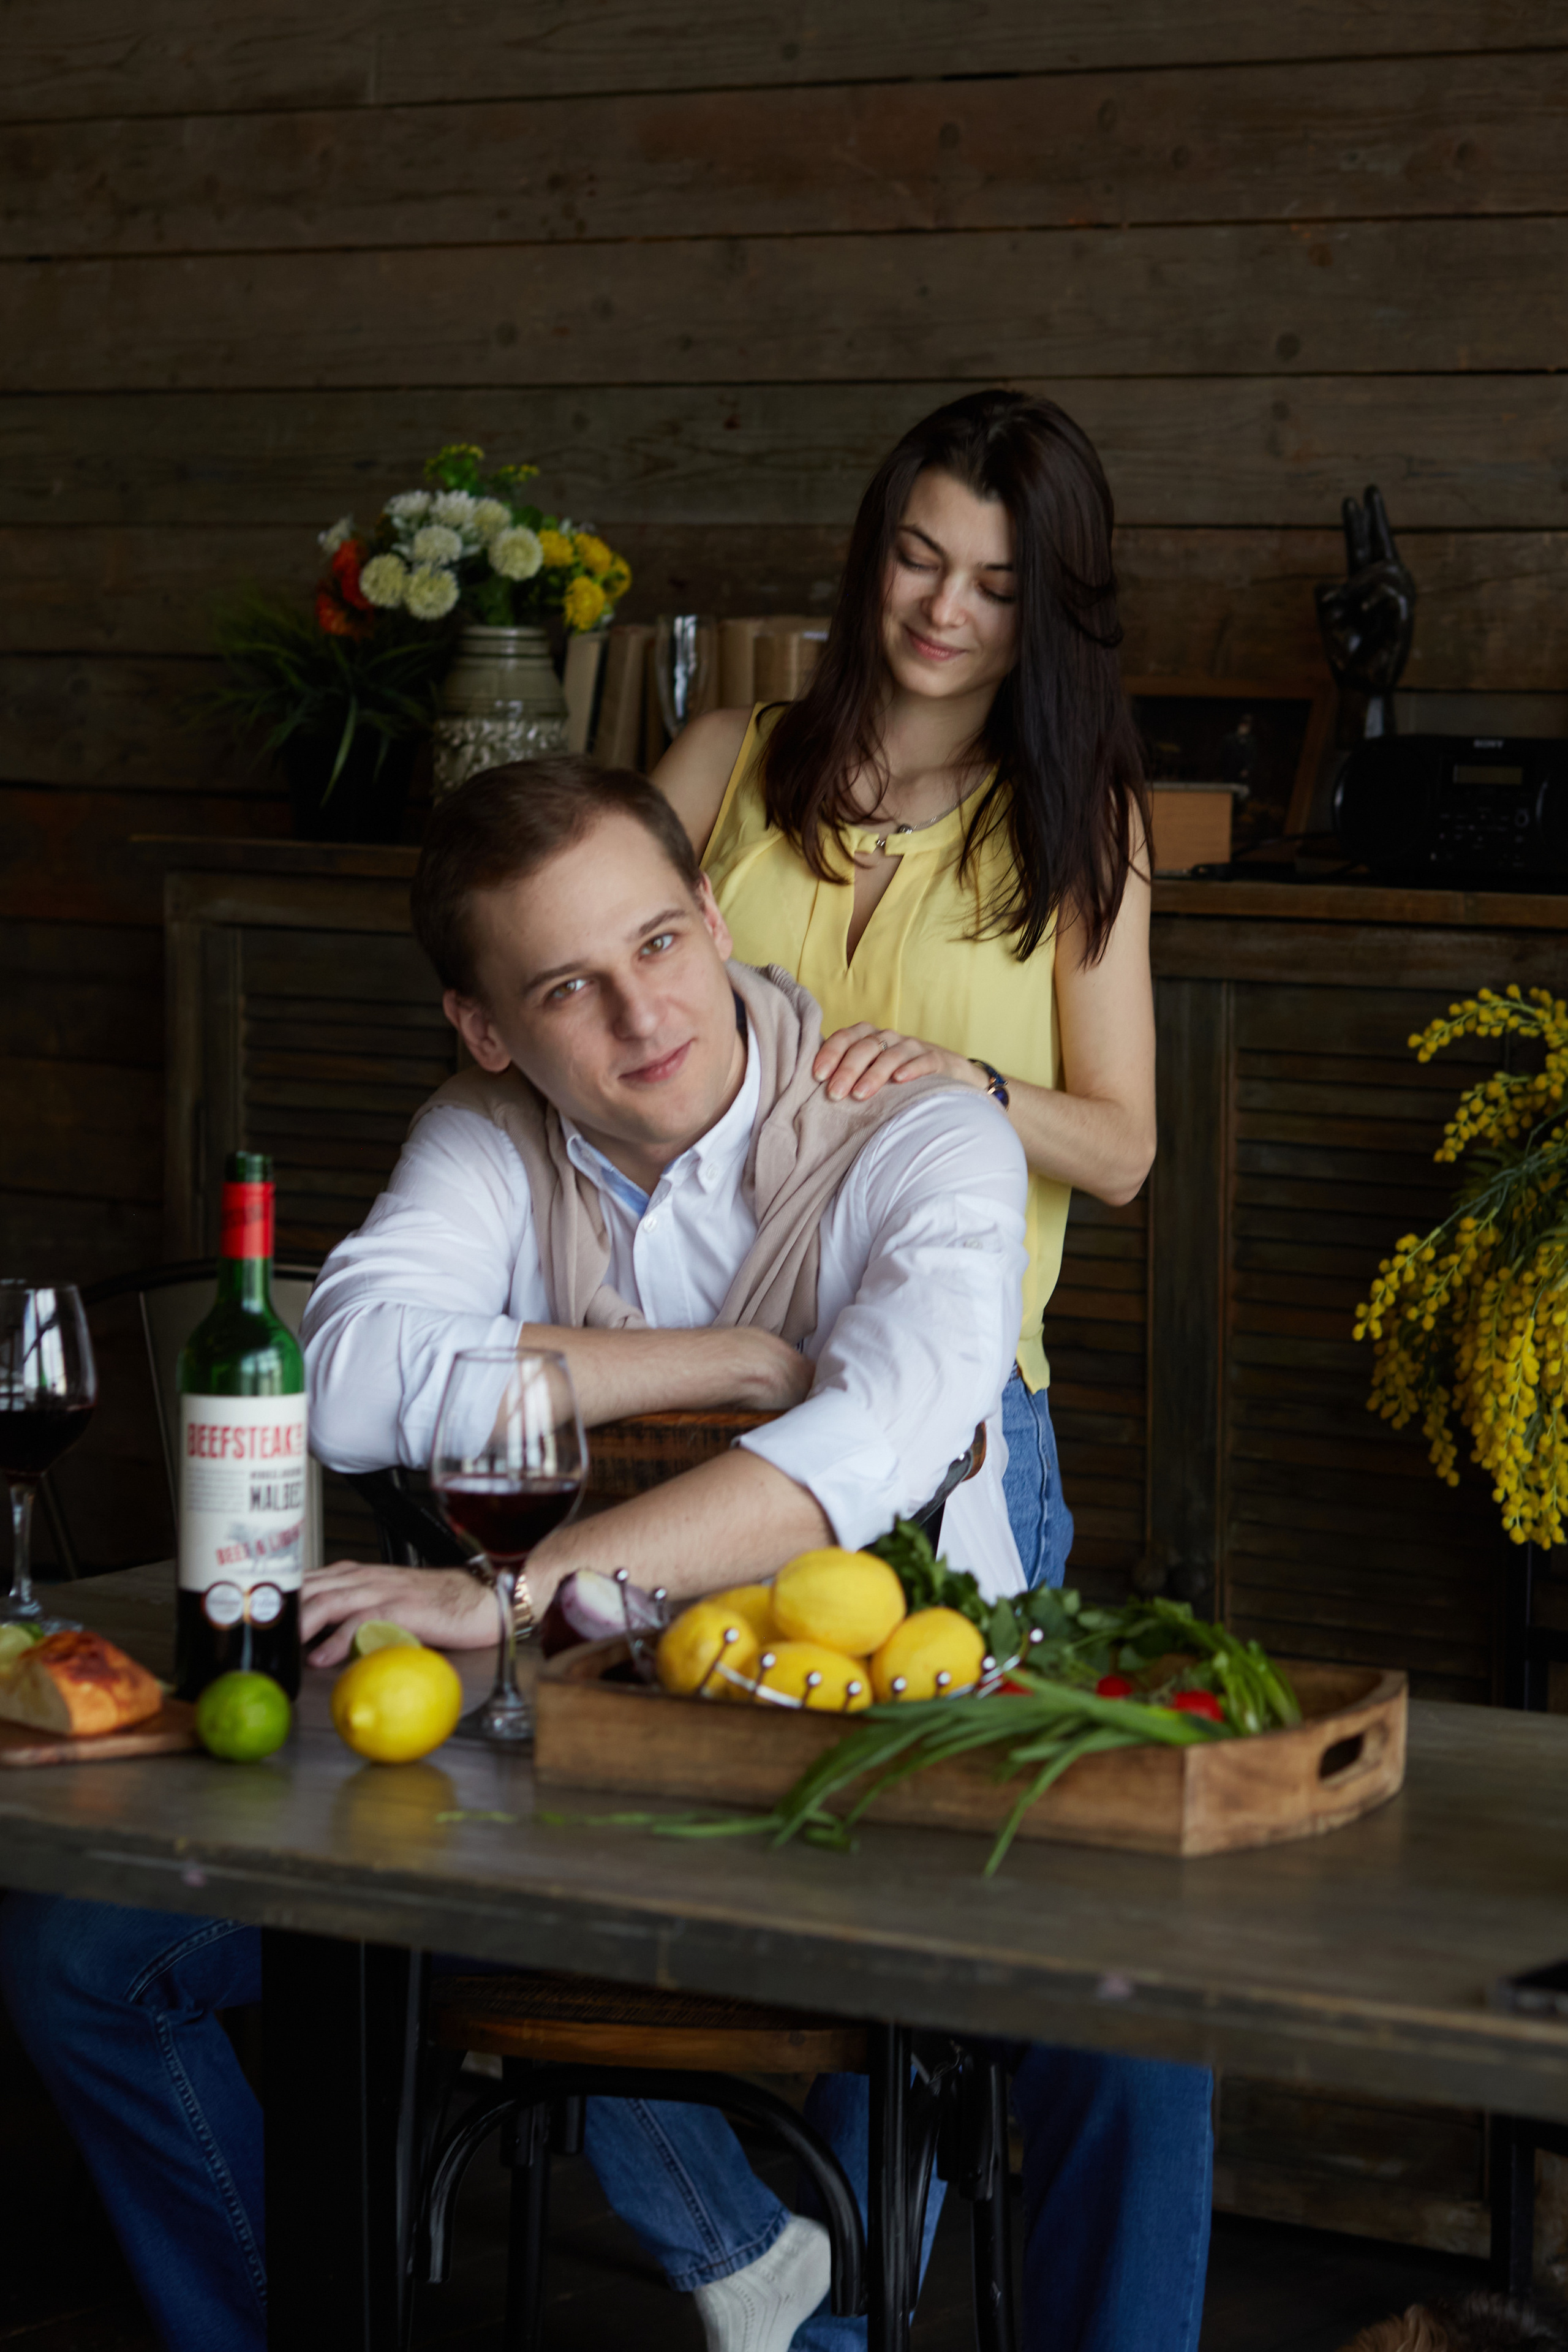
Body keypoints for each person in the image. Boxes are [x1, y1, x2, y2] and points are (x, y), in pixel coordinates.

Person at [0, 756, 1031, 2352]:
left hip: (856, 1769)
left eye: (658, 947)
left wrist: (510, 1590)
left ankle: (789, 2297)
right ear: (488, 1030)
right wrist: (735, 1363)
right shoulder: (483, 1134)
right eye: (567, 988)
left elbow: (878, 1439)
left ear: (708, 915)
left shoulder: (917, 1129)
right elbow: (346, 1383)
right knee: (78, 1954)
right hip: (565, 1765)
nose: (641, 1018)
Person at [652, 388, 1213, 2352]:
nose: (942, 610)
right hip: (704, 1418)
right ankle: (796, 2298)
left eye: (994, 582)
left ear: (1047, 608)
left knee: (992, 1938)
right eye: (918, 556)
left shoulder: (1079, 831)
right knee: (729, 1918)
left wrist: (965, 1087)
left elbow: (1126, 1149)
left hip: (977, 1451)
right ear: (870, 540)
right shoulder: (722, 760)